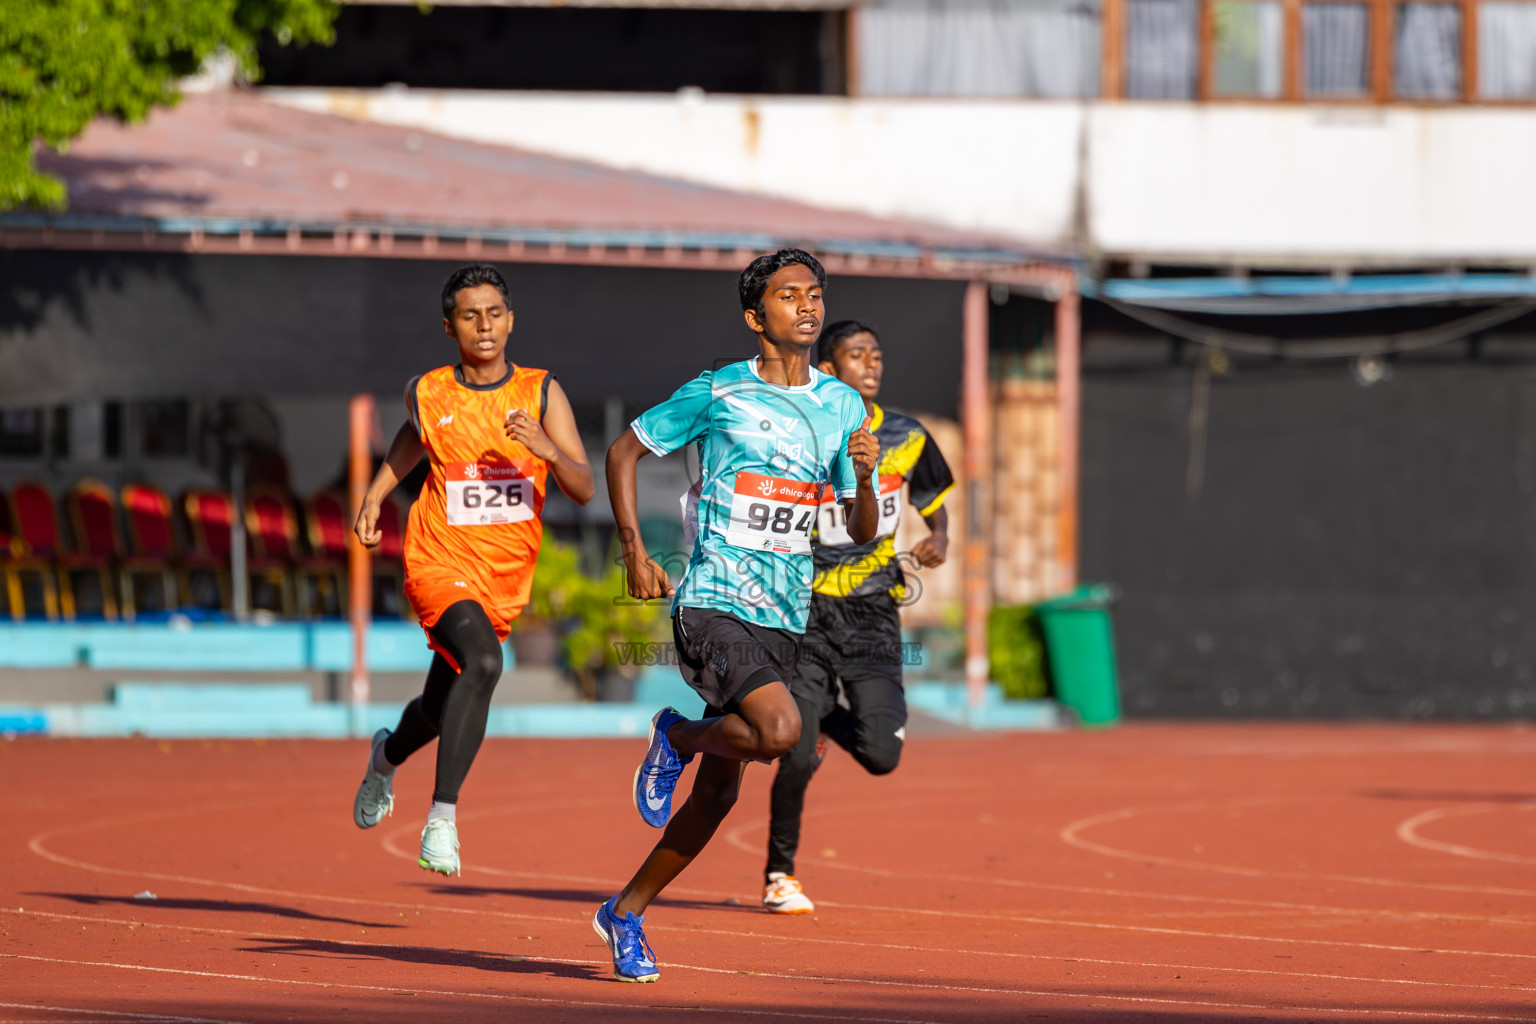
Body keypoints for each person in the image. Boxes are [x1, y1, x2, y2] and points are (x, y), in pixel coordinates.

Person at [592, 249, 880, 983]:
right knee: (781, 732)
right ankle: (676, 735)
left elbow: (860, 530)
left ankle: (624, 913)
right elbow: (622, 452)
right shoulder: (719, 390)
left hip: (785, 611)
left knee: (719, 795)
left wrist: (867, 476)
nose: (807, 307)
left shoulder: (842, 405)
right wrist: (633, 550)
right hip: (714, 598)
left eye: (814, 294)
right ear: (756, 316)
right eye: (789, 296)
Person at [350, 263, 594, 877]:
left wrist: (547, 449)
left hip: (504, 577)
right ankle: (442, 819)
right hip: (439, 559)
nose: (483, 326)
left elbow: (584, 487)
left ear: (511, 321)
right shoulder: (429, 391)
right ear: (449, 326)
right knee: (484, 663)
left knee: (440, 708)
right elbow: (416, 436)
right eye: (469, 315)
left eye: (493, 314)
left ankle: (384, 757)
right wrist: (376, 495)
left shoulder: (541, 392)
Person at [760, 318, 954, 915]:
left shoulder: (907, 435)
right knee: (795, 752)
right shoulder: (799, 434)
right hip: (806, 610)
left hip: (873, 612)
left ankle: (822, 720)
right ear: (827, 368)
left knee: (881, 755)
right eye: (857, 355)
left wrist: (938, 537)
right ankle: (779, 874)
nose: (871, 364)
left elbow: (934, 502)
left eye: (877, 354)